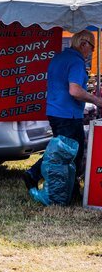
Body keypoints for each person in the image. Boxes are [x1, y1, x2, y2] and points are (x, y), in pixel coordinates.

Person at [24, 30, 102, 194]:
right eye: (92, 47)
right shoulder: (76, 61)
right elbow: (74, 91)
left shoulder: (58, 57)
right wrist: (96, 100)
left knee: (62, 149)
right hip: (68, 114)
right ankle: (35, 174)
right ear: (83, 44)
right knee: (70, 152)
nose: (92, 52)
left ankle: (67, 186)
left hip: (55, 110)